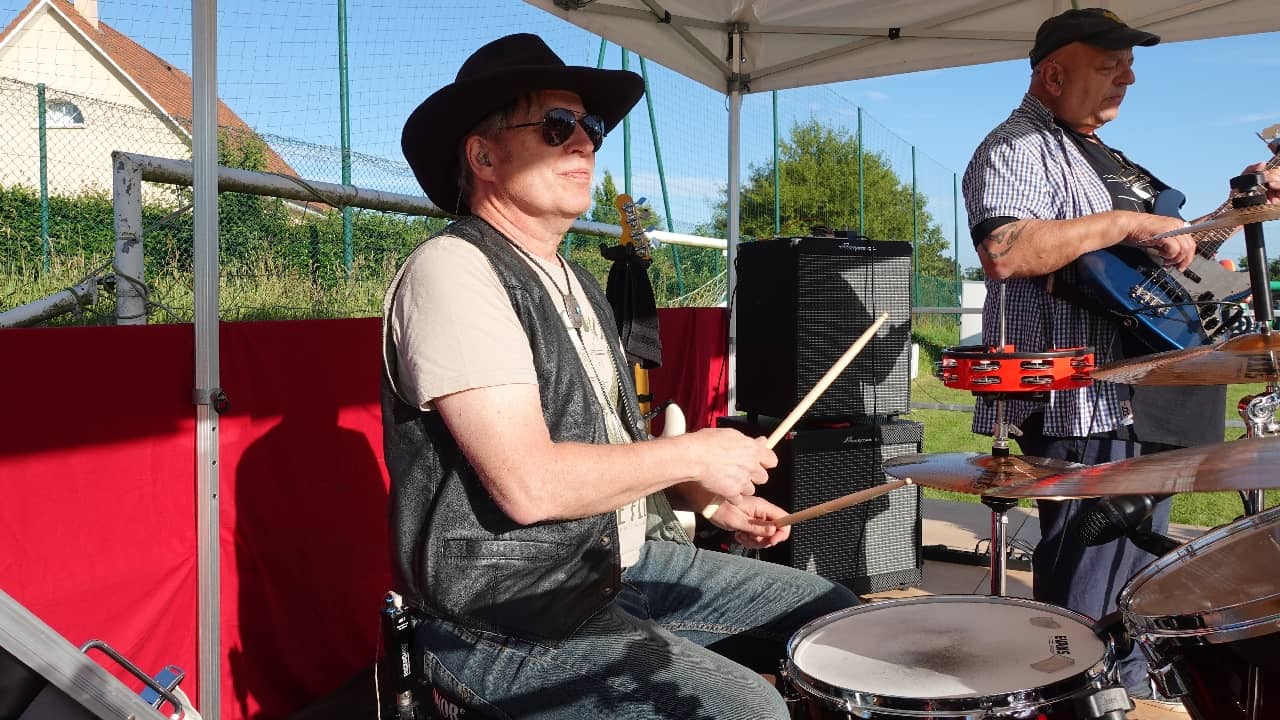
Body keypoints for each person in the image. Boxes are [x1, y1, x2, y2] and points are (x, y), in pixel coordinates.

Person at [382, 33, 859, 719]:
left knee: (830, 617)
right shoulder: (453, 271)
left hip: (612, 566)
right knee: (748, 710)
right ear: (483, 155)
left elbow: (610, 454)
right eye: (556, 126)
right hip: (503, 611)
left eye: (591, 127)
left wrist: (706, 497)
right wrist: (696, 450)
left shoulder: (577, 281)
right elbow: (528, 483)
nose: (584, 144)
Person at [962, 7, 1280, 703]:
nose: (1127, 78)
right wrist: (1132, 221)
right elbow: (1009, 251)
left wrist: (1239, 208)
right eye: (1108, 66)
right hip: (1085, 401)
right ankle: (1068, 697)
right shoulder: (1016, 147)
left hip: (1154, 398)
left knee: (1141, 580)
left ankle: (1120, 696)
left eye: (1127, 66)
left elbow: (1170, 272)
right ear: (1052, 74)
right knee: (1085, 587)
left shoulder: (1102, 158)